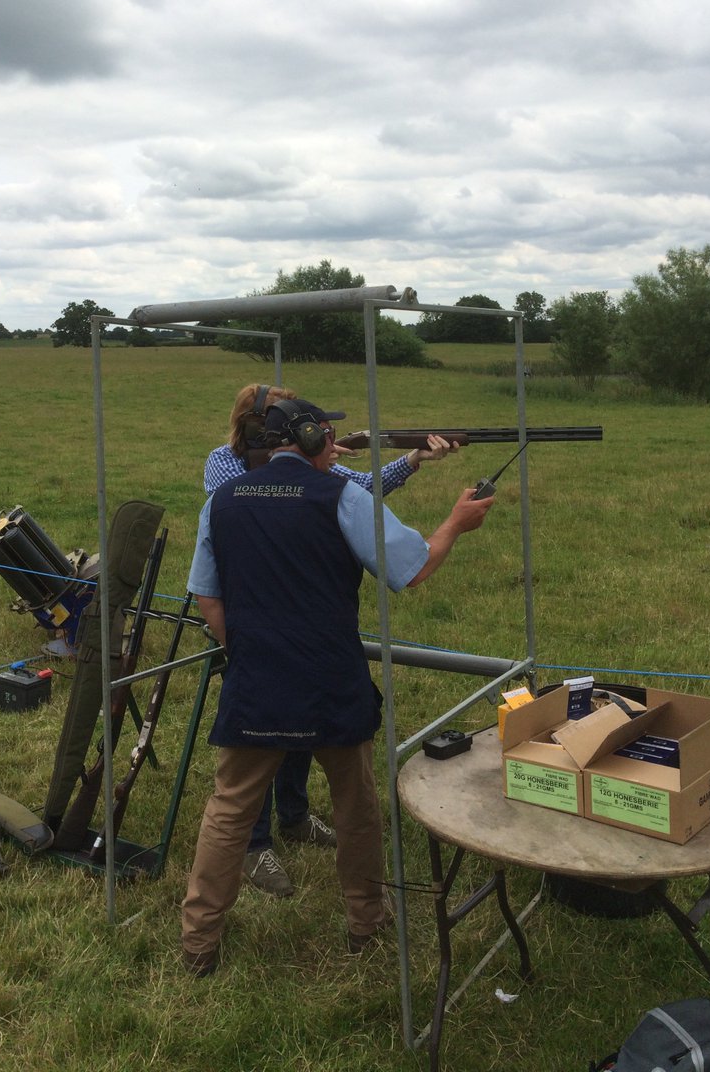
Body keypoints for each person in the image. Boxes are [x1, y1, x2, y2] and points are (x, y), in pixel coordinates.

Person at [182, 397, 493, 975]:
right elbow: (414, 568)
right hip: (331, 677)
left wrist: (244, 652)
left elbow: (207, 594)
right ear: (303, 437)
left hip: (256, 680)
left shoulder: (220, 502)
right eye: (326, 432)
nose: (334, 441)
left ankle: (198, 942)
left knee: (228, 812)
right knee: (355, 810)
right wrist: (457, 521)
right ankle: (365, 921)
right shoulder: (343, 496)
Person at [205, 383, 459, 897]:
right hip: (260, 616)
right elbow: (272, 499)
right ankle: (257, 847)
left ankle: (294, 816)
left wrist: (412, 458)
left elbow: (359, 487)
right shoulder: (223, 469)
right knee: (264, 753)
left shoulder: (312, 469)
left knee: (298, 731)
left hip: (297, 632)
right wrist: (306, 465)